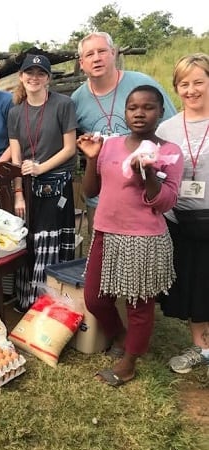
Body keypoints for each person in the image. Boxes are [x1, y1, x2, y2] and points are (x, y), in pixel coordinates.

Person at [77, 85, 183, 387]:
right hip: (106, 232)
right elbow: (89, 191)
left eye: (148, 107)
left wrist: (147, 172)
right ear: (126, 112)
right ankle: (121, 336)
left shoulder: (169, 152)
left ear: (160, 112)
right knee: (95, 298)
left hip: (144, 239)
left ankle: (130, 361)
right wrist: (91, 158)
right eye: (133, 107)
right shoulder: (109, 146)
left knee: (139, 304)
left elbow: (164, 202)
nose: (139, 113)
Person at [71, 31, 177, 235]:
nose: (97, 58)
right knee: (104, 259)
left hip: (145, 191)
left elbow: (170, 129)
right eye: (90, 54)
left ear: (113, 53)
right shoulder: (77, 100)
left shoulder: (141, 84)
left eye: (102, 51)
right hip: (103, 198)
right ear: (82, 62)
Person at [9, 54, 78, 312]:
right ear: (21, 76)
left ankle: (50, 306)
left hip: (57, 184)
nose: (34, 78)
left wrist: (41, 167)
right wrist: (18, 193)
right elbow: (16, 158)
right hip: (27, 187)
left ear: (48, 78)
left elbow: (70, 148)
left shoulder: (63, 104)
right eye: (30, 72)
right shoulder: (15, 112)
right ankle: (28, 301)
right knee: (30, 243)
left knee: (51, 244)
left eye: (40, 73)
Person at [156, 53, 209, 374]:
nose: (191, 90)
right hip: (180, 222)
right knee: (194, 287)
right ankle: (202, 348)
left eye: (199, 82)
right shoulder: (167, 129)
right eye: (184, 84)